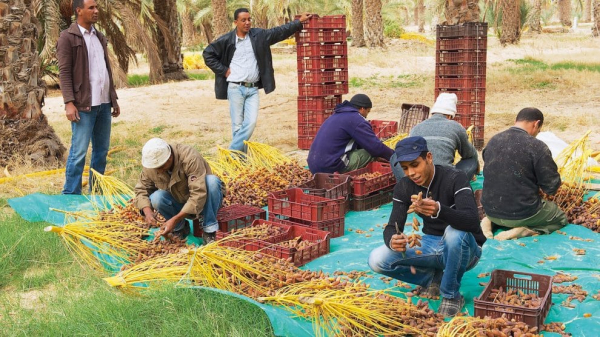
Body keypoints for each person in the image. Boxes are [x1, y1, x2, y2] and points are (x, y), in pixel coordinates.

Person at [368, 136, 486, 318]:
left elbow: (471, 221)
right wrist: (392, 240)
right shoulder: (405, 187)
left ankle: (451, 295)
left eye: (415, 165)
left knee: (454, 232)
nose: (411, 173)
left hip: (466, 249)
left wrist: (439, 210)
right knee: (377, 259)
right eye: (405, 168)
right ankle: (434, 278)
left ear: (429, 157)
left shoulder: (455, 178)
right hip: (431, 244)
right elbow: (393, 225)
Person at [203, 9, 312, 153]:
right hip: (235, 88)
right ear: (235, 22)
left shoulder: (259, 36)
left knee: (251, 123)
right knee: (237, 126)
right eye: (243, 20)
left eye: (249, 19)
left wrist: (298, 23)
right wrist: (223, 70)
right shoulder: (226, 40)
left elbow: (278, 32)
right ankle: (239, 159)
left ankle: (230, 153)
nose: (247, 23)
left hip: (253, 89)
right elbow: (207, 54)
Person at [57, 0, 120, 194]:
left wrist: (113, 99)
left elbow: (105, 70)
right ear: (79, 11)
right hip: (83, 106)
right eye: (91, 8)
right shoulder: (68, 37)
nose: (96, 11)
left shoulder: (99, 37)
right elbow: (64, 72)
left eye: (97, 7)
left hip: (103, 104)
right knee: (79, 152)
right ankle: (71, 194)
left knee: (101, 152)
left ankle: (97, 192)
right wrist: (69, 102)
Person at [480, 108, 567, 240]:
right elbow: (551, 187)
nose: (537, 133)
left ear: (516, 121)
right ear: (536, 124)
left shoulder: (493, 140)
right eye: (539, 130)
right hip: (521, 214)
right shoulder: (537, 147)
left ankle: (488, 222)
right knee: (560, 218)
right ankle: (525, 230)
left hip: (491, 210)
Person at [134, 138, 224, 244]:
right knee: (156, 197)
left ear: (170, 157)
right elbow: (142, 189)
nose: (159, 171)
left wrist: (174, 219)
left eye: (162, 166)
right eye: (156, 168)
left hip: (204, 201)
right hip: (179, 201)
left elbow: (198, 194)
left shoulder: (189, 157)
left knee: (212, 181)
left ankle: (209, 229)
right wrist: (148, 213)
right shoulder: (151, 167)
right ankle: (180, 228)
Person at [391, 93, 478, 181]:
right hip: (446, 181)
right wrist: (475, 170)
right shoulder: (455, 127)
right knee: (471, 160)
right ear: (449, 116)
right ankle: (457, 184)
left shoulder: (416, 127)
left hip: (418, 178)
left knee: (394, 156)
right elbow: (468, 154)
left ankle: (405, 184)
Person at [307, 94, 394, 174]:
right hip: (331, 167)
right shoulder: (357, 120)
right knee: (370, 153)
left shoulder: (336, 115)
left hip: (314, 166)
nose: (367, 115)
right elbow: (375, 147)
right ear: (362, 109)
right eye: (368, 111)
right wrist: (393, 156)